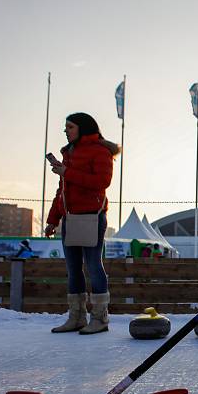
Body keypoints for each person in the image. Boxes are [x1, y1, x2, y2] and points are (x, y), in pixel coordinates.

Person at [46, 113, 120, 334]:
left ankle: (99, 318)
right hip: (70, 217)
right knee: (73, 269)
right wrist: (53, 219)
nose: (66, 131)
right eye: (65, 127)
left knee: (93, 265)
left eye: (70, 127)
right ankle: (76, 317)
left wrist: (67, 172)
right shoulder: (69, 153)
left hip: (92, 217)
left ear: (83, 128)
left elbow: (101, 182)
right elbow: (63, 191)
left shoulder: (100, 151)